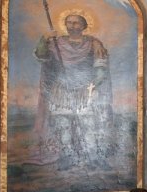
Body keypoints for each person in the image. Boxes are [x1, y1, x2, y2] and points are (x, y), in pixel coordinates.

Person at [32, 12, 113, 170]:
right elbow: (42, 56)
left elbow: (100, 66)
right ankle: (67, 157)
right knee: (63, 124)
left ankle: (92, 157)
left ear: (83, 25)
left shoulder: (93, 43)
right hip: (61, 90)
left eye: (76, 23)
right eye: (69, 22)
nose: (72, 25)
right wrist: (45, 39)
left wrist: (94, 83)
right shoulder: (56, 42)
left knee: (88, 124)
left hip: (85, 89)